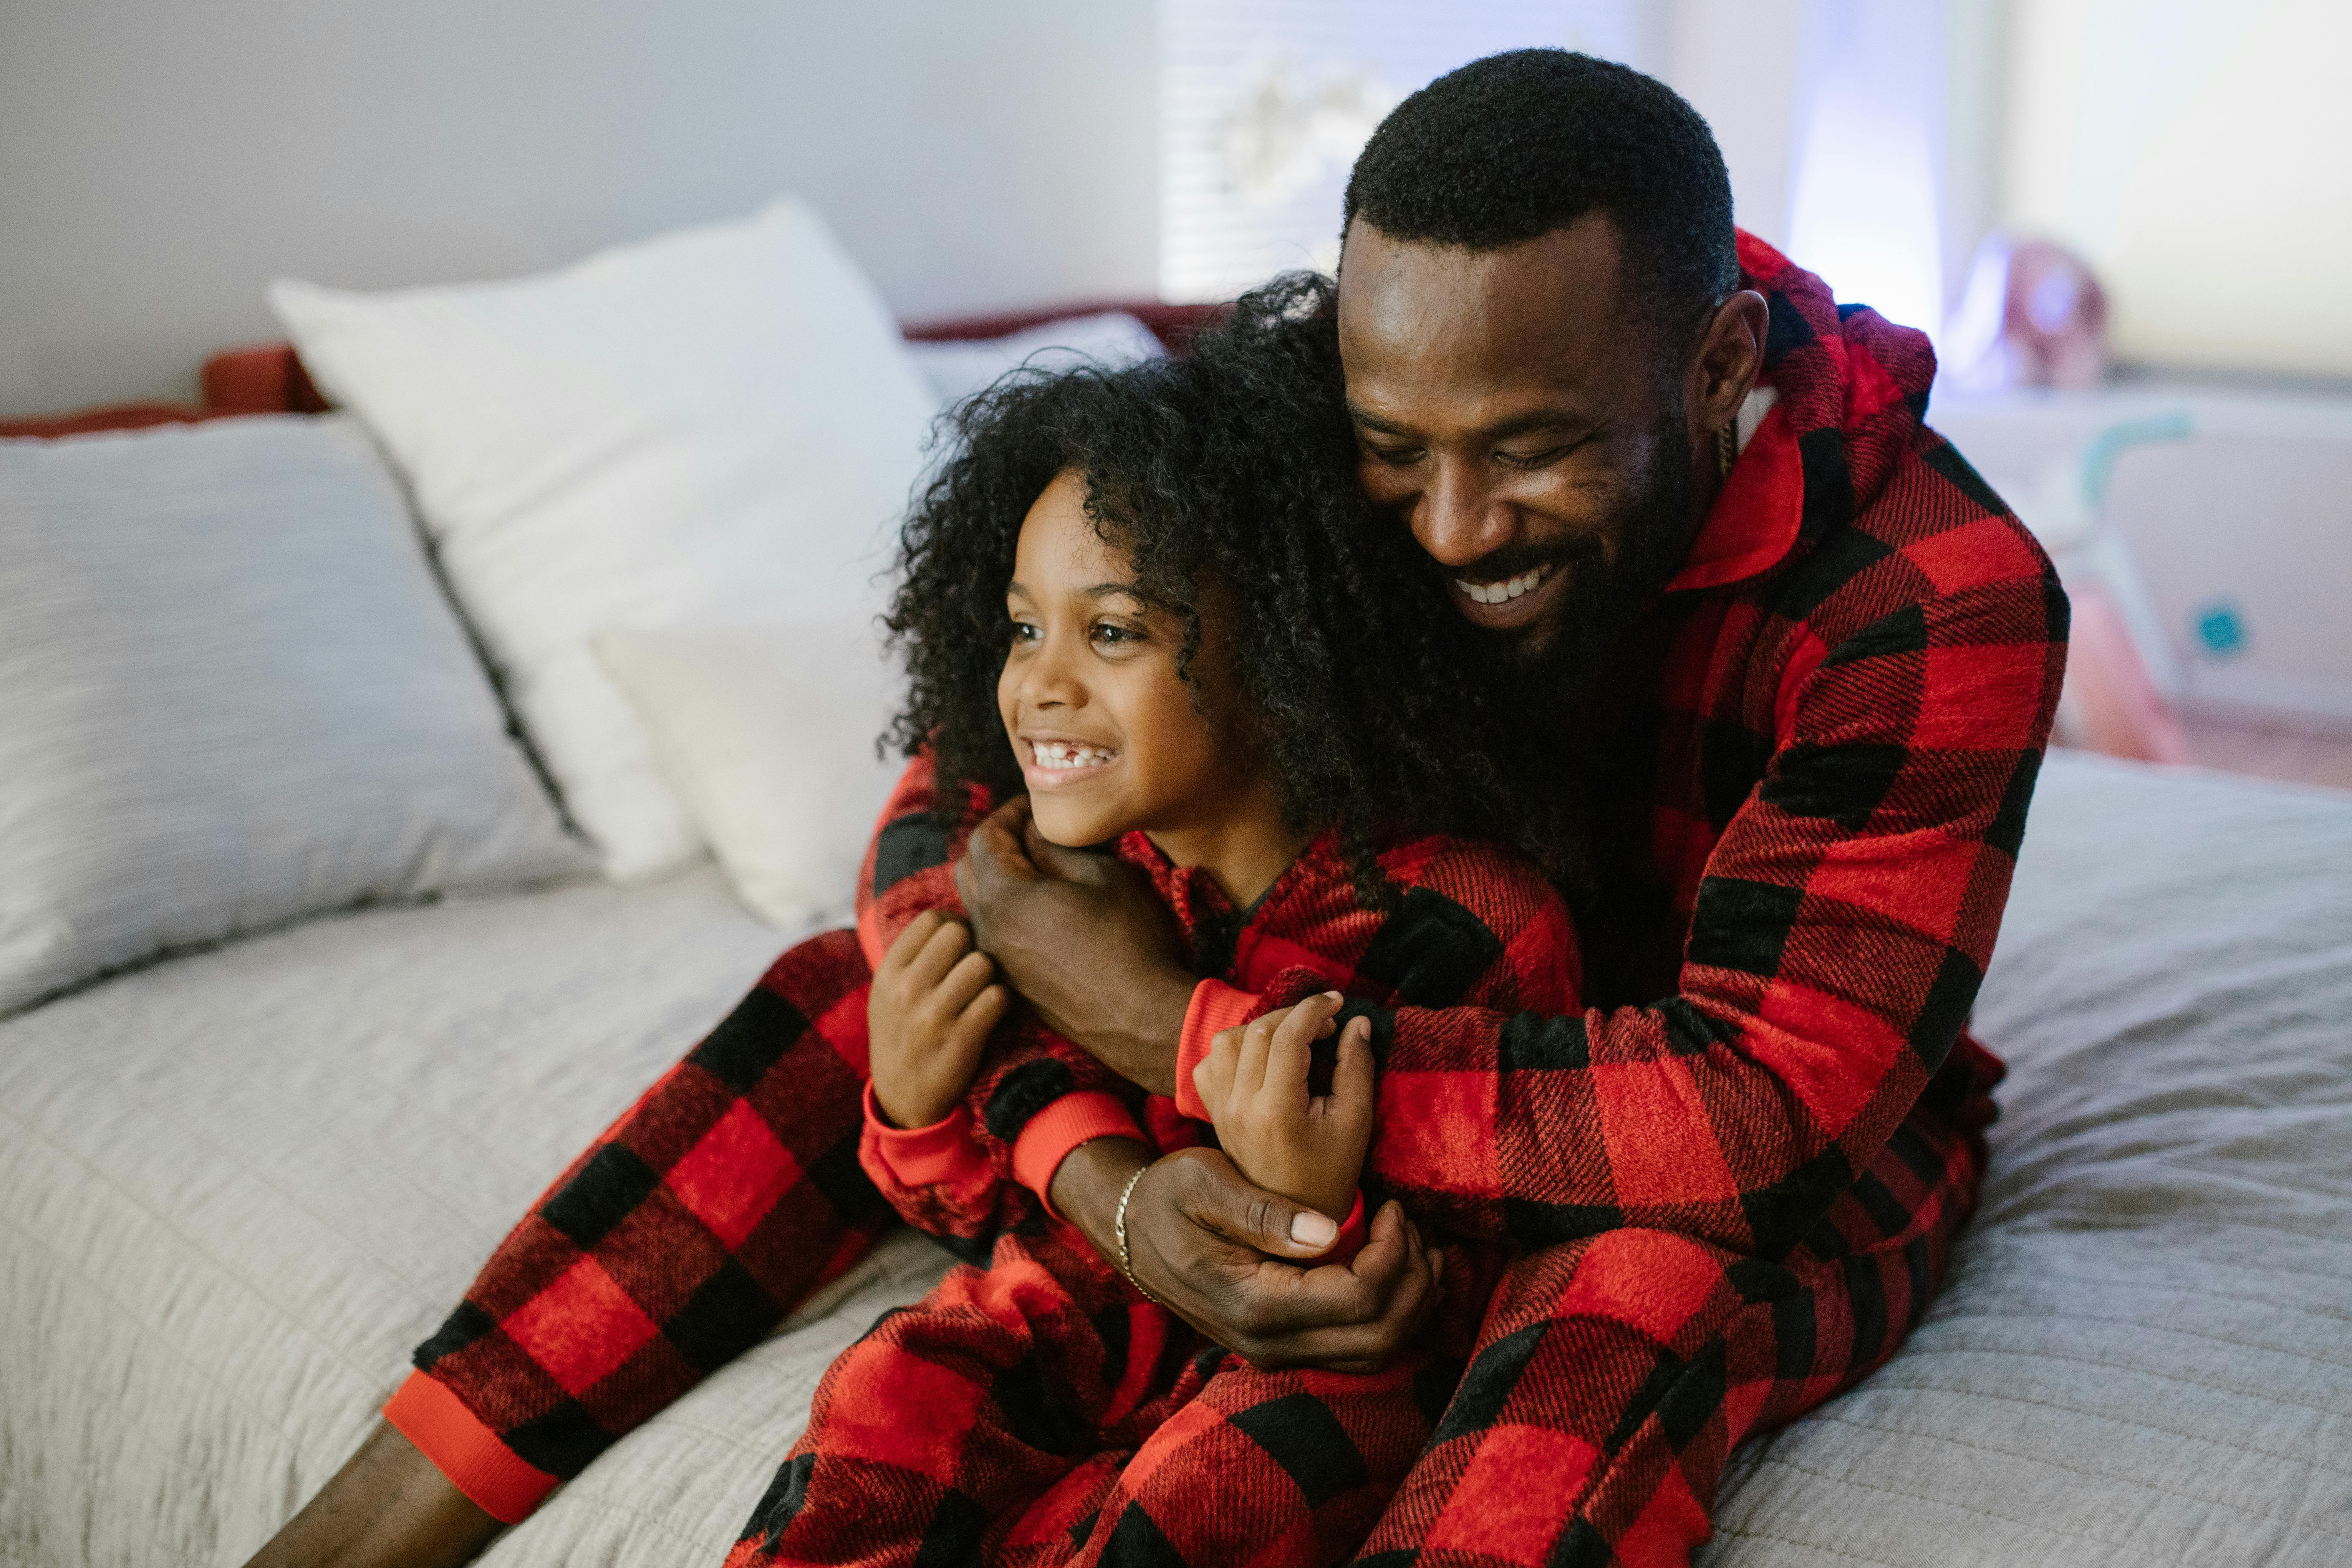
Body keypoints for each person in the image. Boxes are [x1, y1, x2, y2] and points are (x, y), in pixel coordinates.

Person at [248, 48, 2065, 1568]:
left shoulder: (1933, 595)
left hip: (1671, 1106)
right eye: (1396, 454)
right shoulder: (1367, 388)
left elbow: (1751, 1117)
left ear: (1720, 366)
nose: (1444, 525)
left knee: (1633, 1293)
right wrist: (1105, 1180)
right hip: (1327, 1010)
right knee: (849, 990)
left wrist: (1176, 1037)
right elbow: (957, 813)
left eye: (1535, 454)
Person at [737, 344, 1582, 1568]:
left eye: (1114, 631)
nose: (1038, 683)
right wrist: (914, 1112)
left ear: (1288, 652)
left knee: (1226, 1475)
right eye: (1024, 626)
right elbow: (979, 1212)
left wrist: (1316, 1205)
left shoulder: (1458, 917)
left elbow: (1464, 1284)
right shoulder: (1055, 874)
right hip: (1075, 1319)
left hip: (1307, 1372)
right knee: (894, 1387)